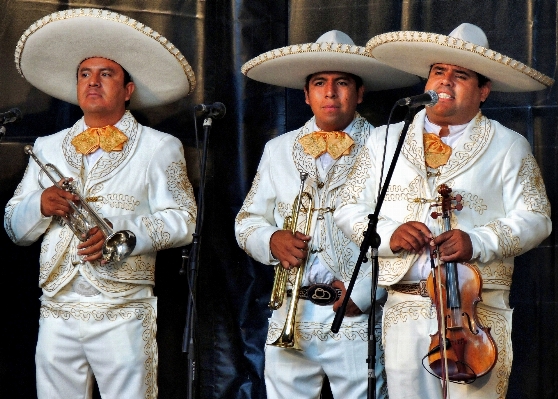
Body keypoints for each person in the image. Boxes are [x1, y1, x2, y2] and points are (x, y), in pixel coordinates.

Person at [334, 23, 553, 399]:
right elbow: (348, 207)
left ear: (483, 91)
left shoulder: (508, 145)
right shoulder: (385, 138)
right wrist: (389, 234)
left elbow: (537, 218)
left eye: (461, 75)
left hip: (476, 312)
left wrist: (478, 240)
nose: (446, 81)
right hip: (404, 304)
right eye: (439, 71)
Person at [4, 8, 197, 399]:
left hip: (123, 309)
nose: (93, 82)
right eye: (85, 74)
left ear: (127, 90)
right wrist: (40, 204)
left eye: (105, 74)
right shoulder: (47, 146)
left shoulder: (160, 146)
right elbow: (12, 226)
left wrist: (125, 233)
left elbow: (184, 220)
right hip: (56, 307)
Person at [234, 30, 419, 398]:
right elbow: (246, 222)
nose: (330, 92)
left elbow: (406, 231)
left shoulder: (390, 145)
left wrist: (364, 292)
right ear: (306, 95)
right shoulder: (278, 149)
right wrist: (271, 239)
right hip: (292, 309)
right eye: (319, 83)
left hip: (354, 313)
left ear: (360, 92)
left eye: (342, 83)